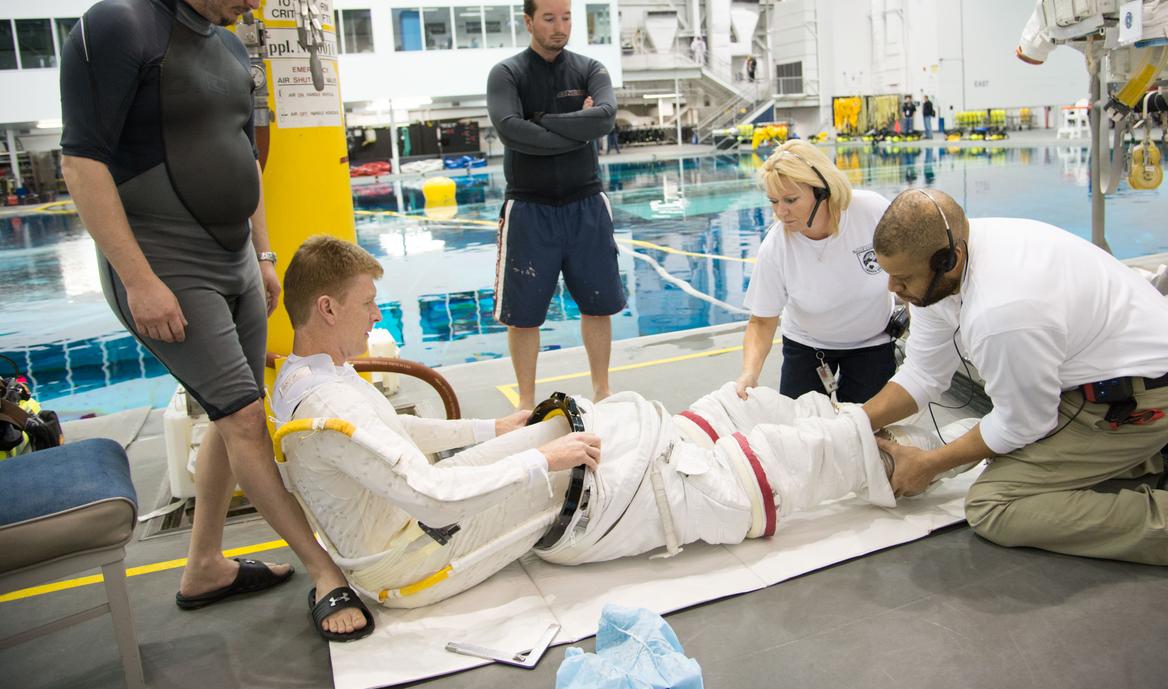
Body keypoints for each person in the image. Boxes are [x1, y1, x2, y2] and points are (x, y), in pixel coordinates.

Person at [270, 235, 971, 610]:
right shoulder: (330, 410)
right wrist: (545, 457)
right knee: (703, 475)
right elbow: (425, 493)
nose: (375, 317)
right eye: (365, 304)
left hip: (422, 521)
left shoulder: (318, 378)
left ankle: (848, 432)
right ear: (327, 309)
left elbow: (404, 443)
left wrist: (497, 429)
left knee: (711, 414)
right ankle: (869, 453)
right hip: (418, 555)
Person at [58, 0, 367, 640]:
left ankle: (204, 566)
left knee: (227, 418)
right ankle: (327, 572)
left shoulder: (228, 44)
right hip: (166, 263)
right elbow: (82, 160)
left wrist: (261, 252)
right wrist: (138, 278)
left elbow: (244, 159)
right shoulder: (119, 26)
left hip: (233, 259)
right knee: (244, 421)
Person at [866, 189, 1168, 578]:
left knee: (994, 504)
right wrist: (856, 423)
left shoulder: (1002, 312)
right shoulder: (953, 255)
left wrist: (929, 465)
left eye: (902, 279)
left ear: (948, 261)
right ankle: (1136, 458)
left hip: (1144, 395)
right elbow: (923, 373)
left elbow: (1022, 423)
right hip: (1099, 380)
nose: (893, 289)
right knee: (989, 455)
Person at [486, 0, 624, 412]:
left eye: (566, 17)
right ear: (528, 21)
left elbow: (604, 118)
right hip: (529, 207)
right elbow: (510, 128)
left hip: (586, 204)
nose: (560, 27)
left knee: (597, 305)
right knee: (523, 316)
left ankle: (602, 390)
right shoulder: (508, 73)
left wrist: (542, 121)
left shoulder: (589, 68)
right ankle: (526, 402)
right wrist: (574, 128)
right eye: (549, 18)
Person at [737, 140, 895, 405]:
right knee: (799, 427)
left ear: (823, 191)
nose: (780, 212)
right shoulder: (776, 247)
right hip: (808, 345)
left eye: (790, 200)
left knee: (866, 428)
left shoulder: (872, 211)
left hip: (873, 342)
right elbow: (762, 322)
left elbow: (913, 267)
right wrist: (749, 373)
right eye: (773, 201)